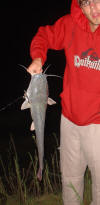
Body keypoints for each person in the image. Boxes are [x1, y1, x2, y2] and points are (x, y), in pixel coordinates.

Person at [27, 0, 100, 204]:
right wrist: (38, 58)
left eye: (97, 0)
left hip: (98, 126)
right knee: (70, 182)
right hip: (69, 121)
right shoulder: (70, 25)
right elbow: (44, 35)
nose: (93, 8)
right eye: (86, 2)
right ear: (79, 5)